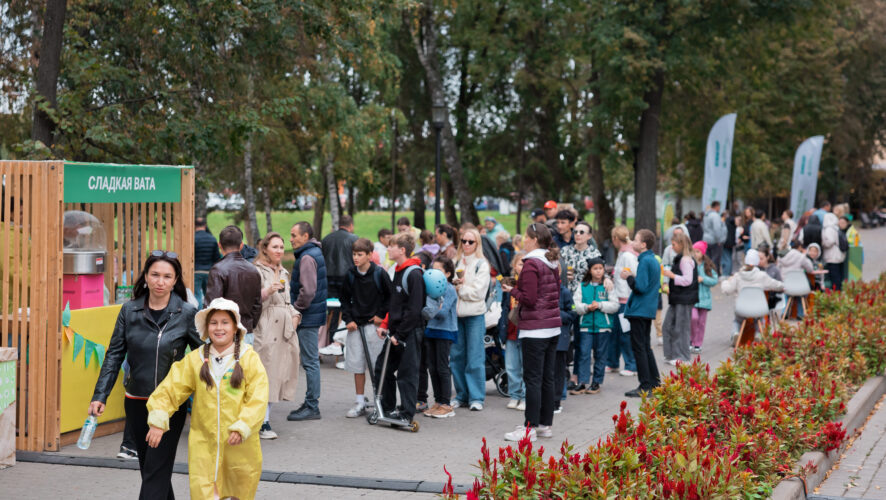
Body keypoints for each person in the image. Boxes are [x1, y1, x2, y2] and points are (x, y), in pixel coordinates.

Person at [89, 251, 200, 499]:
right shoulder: (129, 311)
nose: (160, 281)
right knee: (151, 470)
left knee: (155, 472)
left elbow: (202, 356)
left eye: (167, 276)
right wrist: (100, 395)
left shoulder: (186, 313)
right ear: (146, 277)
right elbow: (114, 354)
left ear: (175, 280)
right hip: (136, 402)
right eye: (155, 275)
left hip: (171, 405)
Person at [146, 298, 268, 500]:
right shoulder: (195, 358)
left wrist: (243, 426)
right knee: (204, 492)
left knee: (240, 490)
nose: (219, 328)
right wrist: (158, 419)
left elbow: (258, 397)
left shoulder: (249, 359)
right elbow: (170, 389)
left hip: (240, 446)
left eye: (225, 322)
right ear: (206, 327)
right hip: (204, 445)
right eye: (214, 323)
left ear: (235, 327)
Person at [501, 223, 561, 442]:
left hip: (535, 329)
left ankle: (529, 427)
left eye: (526, 237)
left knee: (533, 379)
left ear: (534, 239)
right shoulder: (552, 261)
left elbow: (529, 298)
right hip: (552, 326)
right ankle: (545, 424)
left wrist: (511, 290)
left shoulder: (531, 263)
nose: (524, 241)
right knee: (547, 377)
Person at [251, 232, 301, 439]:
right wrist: (267, 291)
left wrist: (295, 316)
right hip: (267, 326)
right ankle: (260, 422)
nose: (280, 251)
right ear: (265, 249)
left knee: (278, 374)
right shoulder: (256, 270)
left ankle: (265, 419)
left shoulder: (283, 271)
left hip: (285, 329)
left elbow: (288, 300)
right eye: (275, 247)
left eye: (281, 247)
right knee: (264, 373)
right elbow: (252, 300)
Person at [376, 233, 426, 424]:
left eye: (391, 246)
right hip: (396, 332)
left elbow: (414, 310)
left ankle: (407, 412)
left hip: (409, 332)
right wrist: (385, 325)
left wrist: (400, 334)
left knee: (407, 374)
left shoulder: (414, 274)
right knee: (382, 368)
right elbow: (395, 305)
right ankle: (388, 407)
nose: (387, 249)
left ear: (402, 250)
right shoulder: (397, 269)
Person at [339, 238, 392, 418]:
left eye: (360, 255)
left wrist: (381, 316)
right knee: (357, 365)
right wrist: (348, 319)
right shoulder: (350, 275)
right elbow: (344, 299)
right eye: (354, 254)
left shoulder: (380, 274)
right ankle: (360, 401)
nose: (356, 258)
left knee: (377, 365)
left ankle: (381, 400)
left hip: (374, 326)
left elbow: (390, 298)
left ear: (370, 255)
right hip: (356, 327)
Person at [287, 221, 328, 421]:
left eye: (294, 235)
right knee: (311, 361)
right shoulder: (313, 253)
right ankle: (311, 403)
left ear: (305, 236)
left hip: (307, 315)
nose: (291, 239)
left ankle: (312, 405)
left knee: (310, 362)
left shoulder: (307, 257)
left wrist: (296, 308)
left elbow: (308, 291)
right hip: (312, 314)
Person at [450, 227, 491, 411]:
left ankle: (476, 397)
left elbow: (479, 293)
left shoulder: (482, 264)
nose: (466, 244)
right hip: (456, 315)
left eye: (470, 241)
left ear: (477, 244)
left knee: (475, 357)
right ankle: (461, 394)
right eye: (463, 241)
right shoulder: (456, 261)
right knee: (457, 357)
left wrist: (461, 289)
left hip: (474, 315)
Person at [205, 226, 263, 344]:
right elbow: (257, 305)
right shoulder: (253, 270)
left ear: (219, 245)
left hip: (222, 333)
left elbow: (212, 304)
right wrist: (250, 325)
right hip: (246, 331)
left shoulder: (218, 269)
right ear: (241, 245)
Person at [621, 229, 662, 398]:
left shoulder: (645, 261)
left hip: (640, 310)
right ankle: (655, 382)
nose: (632, 242)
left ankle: (645, 384)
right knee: (645, 347)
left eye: (636, 240)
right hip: (647, 309)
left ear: (643, 244)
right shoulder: (651, 259)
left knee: (639, 348)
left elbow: (640, 287)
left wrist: (629, 277)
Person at [570, 257, 619, 395]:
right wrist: (586, 308)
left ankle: (596, 382)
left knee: (600, 354)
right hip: (585, 326)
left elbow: (615, 305)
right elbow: (575, 305)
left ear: (604, 270)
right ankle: (583, 382)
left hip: (603, 326)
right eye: (595, 268)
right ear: (590, 270)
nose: (598, 271)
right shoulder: (582, 286)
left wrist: (600, 305)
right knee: (584, 354)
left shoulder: (608, 285)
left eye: (600, 268)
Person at [421, 256, 458, 418]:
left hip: (445, 331)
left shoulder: (448, 289)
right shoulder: (430, 290)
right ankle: (438, 401)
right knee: (432, 367)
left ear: (448, 274)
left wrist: (429, 309)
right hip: (431, 331)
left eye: (439, 271)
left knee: (442, 367)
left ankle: (446, 404)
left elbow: (442, 313)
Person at [722, 250, 784, 337]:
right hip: (758, 308)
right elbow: (776, 285)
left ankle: (735, 333)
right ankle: (758, 334)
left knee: (737, 320)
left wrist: (725, 282)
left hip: (741, 308)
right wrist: (784, 286)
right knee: (759, 318)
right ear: (757, 262)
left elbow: (727, 290)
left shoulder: (738, 276)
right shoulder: (762, 275)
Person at [661, 233, 698, 365]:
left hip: (684, 299)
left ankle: (682, 356)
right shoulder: (681, 259)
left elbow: (687, 280)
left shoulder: (685, 260)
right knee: (668, 325)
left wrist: (672, 276)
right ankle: (671, 354)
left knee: (681, 327)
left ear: (681, 245)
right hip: (678, 298)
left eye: (674, 244)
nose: (672, 247)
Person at [608, 226, 638, 376]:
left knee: (625, 334)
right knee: (614, 333)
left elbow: (632, 276)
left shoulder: (628, 256)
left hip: (626, 300)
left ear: (615, 239)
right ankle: (612, 362)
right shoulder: (622, 254)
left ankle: (631, 365)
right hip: (617, 299)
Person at [504, 251, 527, 411]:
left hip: (525, 330)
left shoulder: (529, 284)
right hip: (511, 331)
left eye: (525, 264)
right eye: (520, 263)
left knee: (525, 366)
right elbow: (504, 308)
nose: (522, 267)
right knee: (512, 366)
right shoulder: (508, 284)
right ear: (514, 266)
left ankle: (525, 396)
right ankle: (514, 395)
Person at [553, 283, 577, 413]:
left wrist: (556, 312)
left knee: (558, 372)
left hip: (560, 339)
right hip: (544, 338)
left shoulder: (565, 292)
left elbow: (573, 313)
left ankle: (556, 401)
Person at [690, 241, 718, 354]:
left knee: (701, 322)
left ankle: (698, 344)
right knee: (693, 318)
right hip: (693, 298)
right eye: (694, 251)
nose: (695, 254)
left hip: (705, 299)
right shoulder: (690, 263)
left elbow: (714, 280)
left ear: (702, 253)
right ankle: (690, 339)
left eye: (698, 251)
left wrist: (703, 279)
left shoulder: (708, 265)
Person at [194, 217, 221, 308]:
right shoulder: (212, 239)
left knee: (197, 296)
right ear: (205, 225)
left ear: (194, 226)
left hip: (196, 271)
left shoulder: (192, 238)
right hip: (209, 271)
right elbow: (217, 257)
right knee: (209, 296)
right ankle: (209, 316)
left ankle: (197, 318)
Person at [821, 213, 846, 290]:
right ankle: (839, 291)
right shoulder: (836, 228)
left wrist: (823, 243)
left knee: (834, 276)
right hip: (839, 255)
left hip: (832, 256)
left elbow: (830, 242)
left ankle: (836, 292)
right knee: (839, 275)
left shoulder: (829, 229)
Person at [702, 201, 726, 274]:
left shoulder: (706, 215)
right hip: (714, 240)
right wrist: (719, 240)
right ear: (717, 206)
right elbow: (717, 229)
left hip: (706, 239)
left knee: (707, 259)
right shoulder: (715, 215)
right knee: (715, 259)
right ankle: (714, 274)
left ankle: (708, 273)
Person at [722, 210, 737, 276]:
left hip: (726, 243)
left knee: (726, 258)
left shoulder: (725, 222)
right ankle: (729, 272)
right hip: (731, 243)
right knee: (729, 258)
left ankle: (726, 273)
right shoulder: (732, 222)